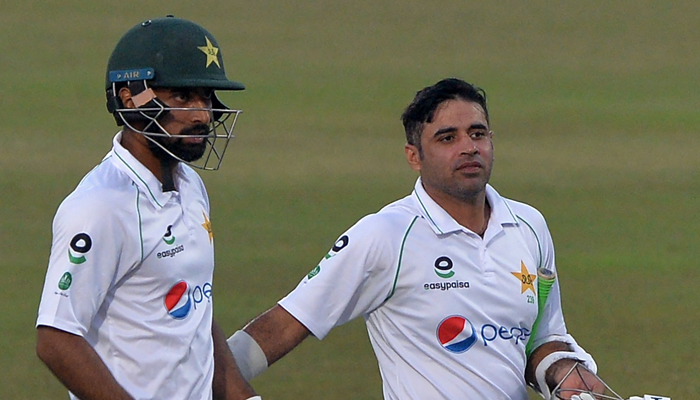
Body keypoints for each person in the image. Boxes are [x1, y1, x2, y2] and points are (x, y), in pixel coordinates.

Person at [227, 78, 609, 400]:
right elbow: (284, 325)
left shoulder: (528, 225)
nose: (468, 147)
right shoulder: (386, 235)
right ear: (414, 156)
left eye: (477, 133)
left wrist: (565, 376)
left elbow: (541, 339)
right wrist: (203, 382)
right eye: (447, 138)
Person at [35, 16, 260, 400]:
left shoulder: (190, 185)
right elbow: (56, 338)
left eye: (206, 97)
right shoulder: (100, 206)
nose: (201, 115)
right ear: (130, 98)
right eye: (182, 97)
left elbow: (195, 316)